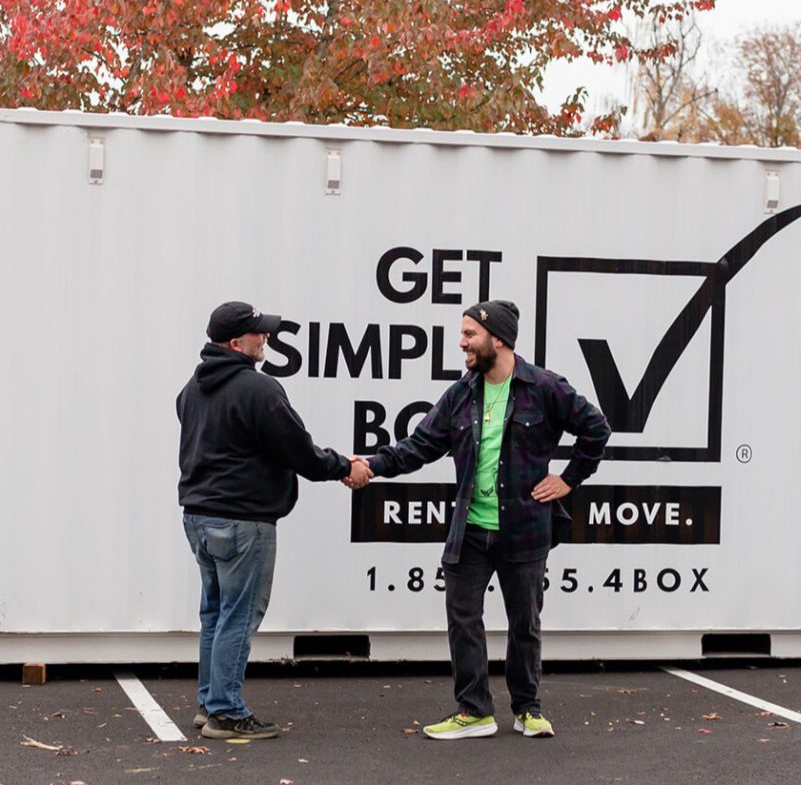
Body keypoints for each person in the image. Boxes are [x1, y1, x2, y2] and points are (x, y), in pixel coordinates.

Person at [364, 300, 610, 740]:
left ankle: (528, 708)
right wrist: (369, 466)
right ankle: (474, 710)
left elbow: (596, 429)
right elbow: (419, 445)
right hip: (470, 530)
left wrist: (569, 480)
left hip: (525, 528)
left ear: (498, 337)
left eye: (469, 334)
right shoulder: (462, 393)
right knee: (463, 619)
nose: (462, 343)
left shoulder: (545, 387)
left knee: (524, 623)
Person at [177, 301, 370, 740]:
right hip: (244, 521)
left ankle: (210, 703)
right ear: (235, 342)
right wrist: (345, 466)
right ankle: (225, 713)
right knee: (239, 615)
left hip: (199, 517)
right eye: (258, 333)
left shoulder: (192, 388)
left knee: (215, 613)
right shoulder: (259, 390)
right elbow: (299, 450)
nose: (266, 338)